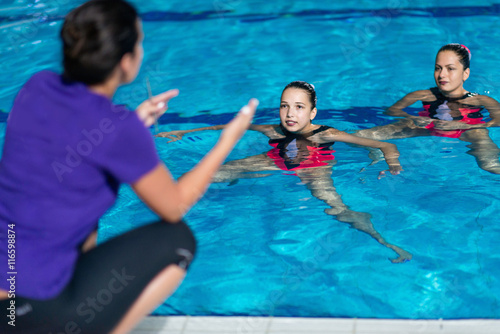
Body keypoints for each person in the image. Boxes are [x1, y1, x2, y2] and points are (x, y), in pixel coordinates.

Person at [0, 1, 257, 333]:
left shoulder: (37, 87)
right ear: (125, 62)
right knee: (178, 240)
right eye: (139, 42)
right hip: (30, 314)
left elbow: (65, 156)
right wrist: (227, 140)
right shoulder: (119, 129)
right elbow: (175, 205)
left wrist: (129, 125)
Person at [157, 81, 412, 263]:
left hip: (315, 169)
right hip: (274, 161)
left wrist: (391, 164)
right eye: (284, 106)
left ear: (312, 112)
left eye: (299, 107)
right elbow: (233, 124)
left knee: (337, 208)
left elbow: (384, 144)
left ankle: (385, 243)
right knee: (208, 174)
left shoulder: (326, 133)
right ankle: (170, 218)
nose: (290, 113)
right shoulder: (274, 131)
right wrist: (185, 132)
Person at [354, 43, 500, 174]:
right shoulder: (423, 95)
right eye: (438, 68)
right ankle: (379, 153)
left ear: (465, 74)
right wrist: (414, 118)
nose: (442, 74)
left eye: (450, 69)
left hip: (468, 131)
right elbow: (392, 111)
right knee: (359, 135)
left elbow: (497, 121)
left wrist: (463, 125)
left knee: (489, 164)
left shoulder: (481, 100)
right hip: (428, 127)